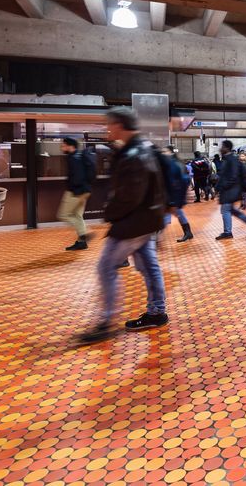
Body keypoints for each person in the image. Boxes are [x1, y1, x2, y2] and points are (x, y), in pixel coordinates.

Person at [77, 107, 169, 344]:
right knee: (149, 267)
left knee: (106, 267)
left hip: (132, 224)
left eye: (110, 124)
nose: (107, 128)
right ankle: (157, 312)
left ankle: (106, 322)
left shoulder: (134, 154)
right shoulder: (141, 149)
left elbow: (130, 196)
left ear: (120, 125)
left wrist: (109, 212)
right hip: (146, 220)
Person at [58, 136, 95, 251]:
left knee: (64, 215)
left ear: (70, 146)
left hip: (75, 191)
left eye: (63, 145)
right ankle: (82, 242)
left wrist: (76, 190)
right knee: (77, 216)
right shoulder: (79, 156)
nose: (61, 147)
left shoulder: (74, 158)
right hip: (84, 191)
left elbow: (77, 176)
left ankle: (85, 233)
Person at [215, 140, 246, 240]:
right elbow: (223, 176)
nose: (220, 148)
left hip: (230, 190)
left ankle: (227, 232)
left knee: (225, 210)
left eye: (222, 146)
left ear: (227, 148)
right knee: (231, 210)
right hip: (229, 189)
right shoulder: (227, 159)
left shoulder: (232, 159)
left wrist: (223, 186)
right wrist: (218, 187)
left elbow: (233, 176)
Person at [160, 145, 193, 242]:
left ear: (171, 152)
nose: (163, 153)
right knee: (177, 214)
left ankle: (156, 237)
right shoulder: (172, 163)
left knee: (168, 216)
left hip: (174, 196)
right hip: (172, 196)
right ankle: (188, 233)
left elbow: (179, 182)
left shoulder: (175, 164)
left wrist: (175, 199)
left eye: (165, 151)